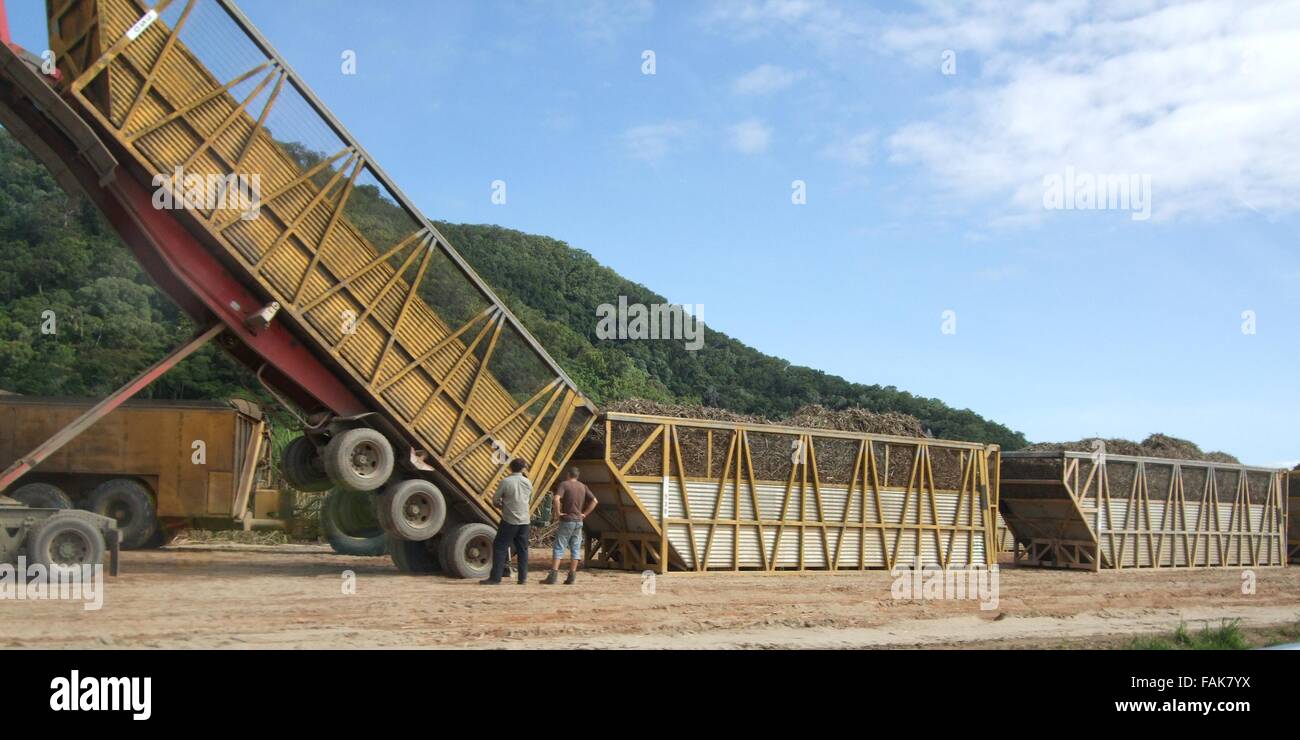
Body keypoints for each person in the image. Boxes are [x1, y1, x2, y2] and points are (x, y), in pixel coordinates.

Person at [541, 466, 598, 585]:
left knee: (559, 547)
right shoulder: (583, 486)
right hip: (578, 521)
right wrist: (584, 514)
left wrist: (557, 513)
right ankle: (571, 577)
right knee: (575, 548)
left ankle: (553, 576)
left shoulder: (564, 484)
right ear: (577, 476)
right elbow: (595, 501)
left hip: (567, 520)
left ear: (568, 474)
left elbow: (556, 499)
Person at [481, 457, 531, 585]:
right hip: (525, 520)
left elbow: (495, 500)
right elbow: (529, 498)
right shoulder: (527, 482)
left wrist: (503, 506)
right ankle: (522, 578)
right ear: (523, 468)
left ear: (510, 468)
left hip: (509, 520)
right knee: (523, 549)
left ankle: (495, 578)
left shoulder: (506, 482)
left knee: (500, 547)